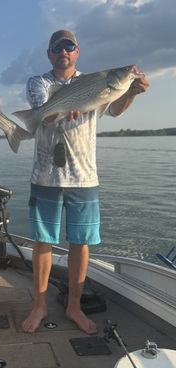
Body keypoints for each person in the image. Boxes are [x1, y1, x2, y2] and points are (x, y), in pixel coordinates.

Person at [21, 29, 149, 334]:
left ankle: (74, 306)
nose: (64, 51)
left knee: (81, 243)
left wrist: (131, 90)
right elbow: (45, 111)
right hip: (45, 176)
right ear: (49, 53)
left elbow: (115, 108)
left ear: (77, 51)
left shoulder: (95, 82)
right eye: (57, 48)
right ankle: (39, 306)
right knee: (43, 242)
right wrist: (63, 108)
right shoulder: (40, 82)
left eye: (69, 46)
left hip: (85, 176)